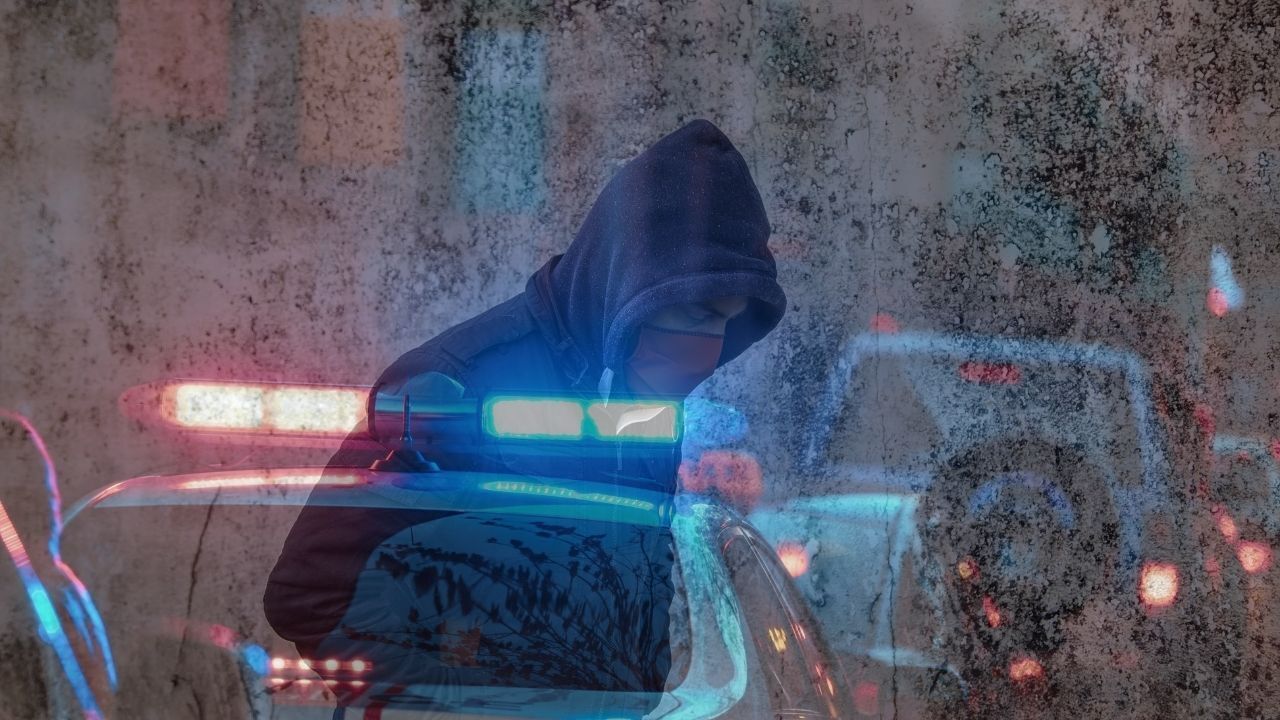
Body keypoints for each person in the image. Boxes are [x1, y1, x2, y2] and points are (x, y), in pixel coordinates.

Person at [263, 119, 786, 706]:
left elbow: (630, 593)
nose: (711, 345)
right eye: (695, 314)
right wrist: (473, 703)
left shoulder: (637, 393)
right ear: (628, 282)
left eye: (727, 320)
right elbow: (311, 597)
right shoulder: (455, 383)